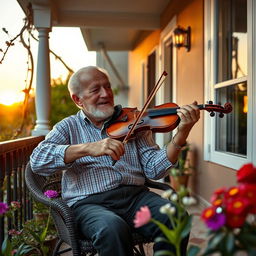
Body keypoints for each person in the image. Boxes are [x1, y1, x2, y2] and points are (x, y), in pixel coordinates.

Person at [30, 66, 200, 256]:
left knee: (176, 217)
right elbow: (38, 160)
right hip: (89, 204)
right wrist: (88, 148)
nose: (106, 94)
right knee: (111, 228)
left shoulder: (134, 121)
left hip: (136, 198)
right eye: (95, 90)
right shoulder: (68, 127)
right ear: (78, 100)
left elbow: (154, 169)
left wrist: (181, 133)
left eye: (108, 87)